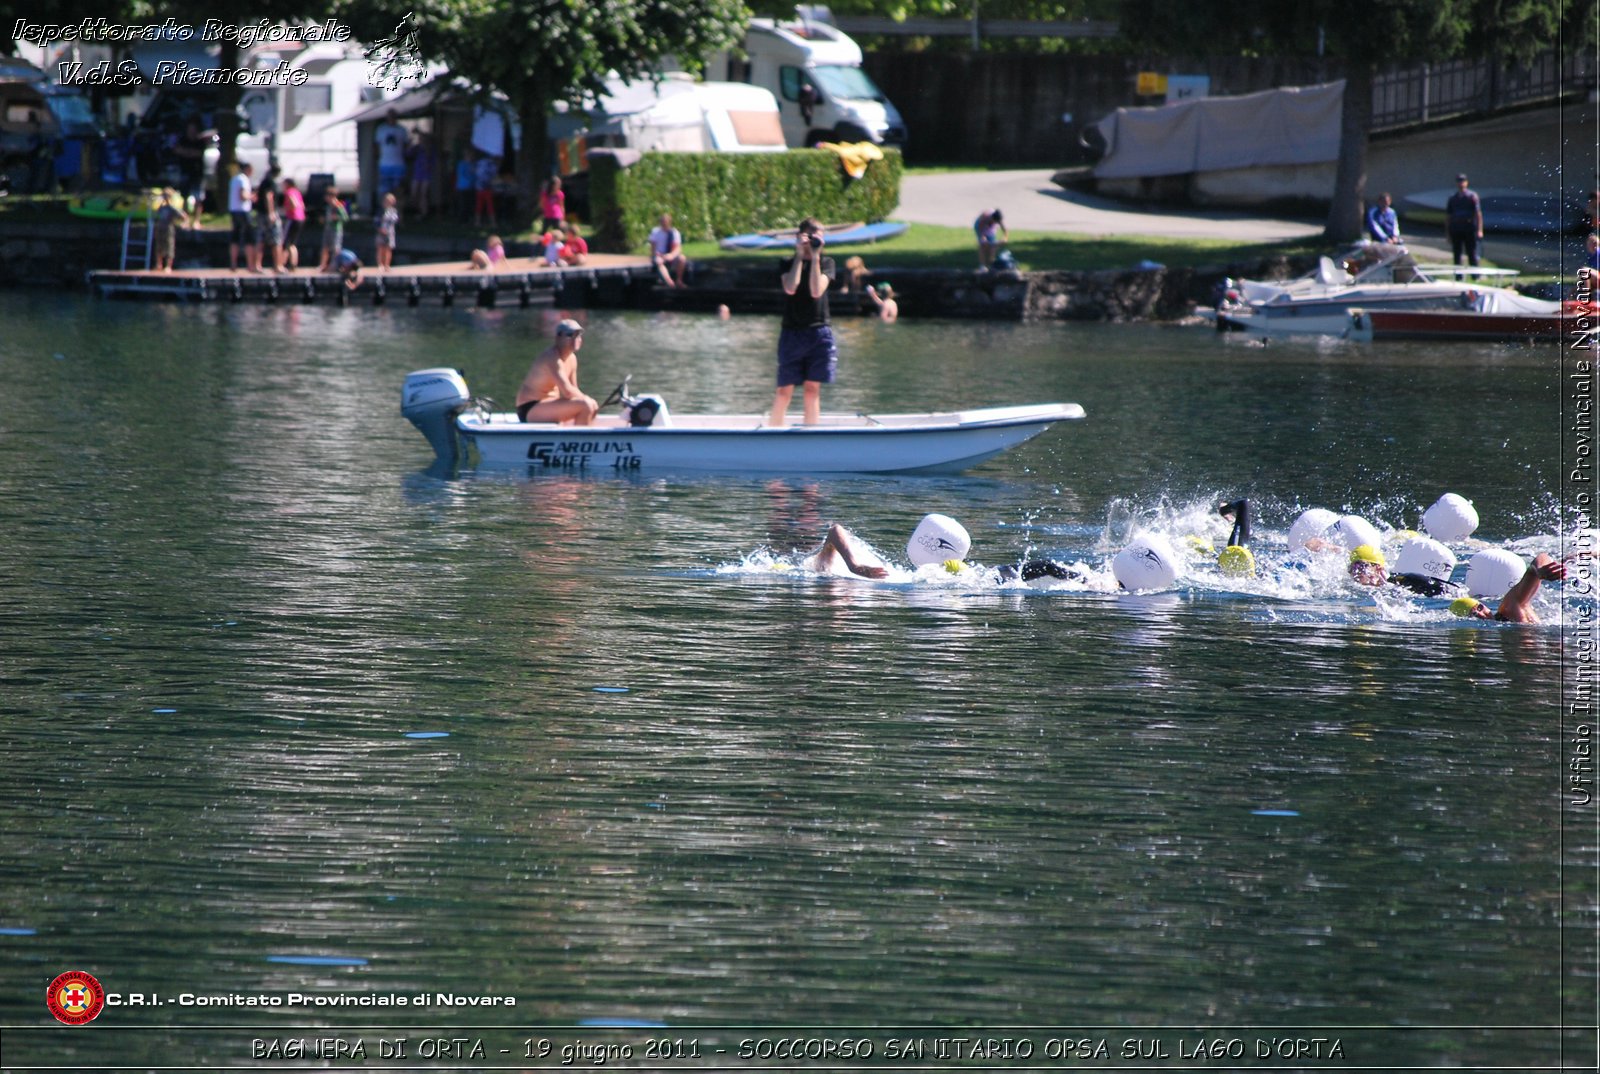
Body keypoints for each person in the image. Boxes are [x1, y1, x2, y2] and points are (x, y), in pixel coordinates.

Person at [769, 218, 836, 427]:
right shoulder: (787, 262)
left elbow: (816, 291)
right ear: (800, 236)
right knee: (784, 390)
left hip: (818, 332)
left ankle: (811, 432)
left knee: (812, 389)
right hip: (792, 333)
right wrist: (800, 255)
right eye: (811, 235)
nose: (816, 239)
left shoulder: (827, 262)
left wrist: (815, 258)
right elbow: (790, 288)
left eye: (820, 235)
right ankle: (773, 433)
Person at [514, 319, 599, 425]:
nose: (575, 339)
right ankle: (578, 441)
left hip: (549, 405)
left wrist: (591, 403)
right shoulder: (551, 357)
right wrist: (587, 400)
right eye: (570, 335)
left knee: (591, 405)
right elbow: (567, 392)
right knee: (585, 404)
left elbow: (574, 389)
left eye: (577, 335)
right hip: (530, 408)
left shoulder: (572, 359)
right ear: (558, 338)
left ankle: (581, 439)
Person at [1450, 553, 1566, 623]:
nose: (1481, 614)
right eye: (1472, 614)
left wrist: (1540, 570)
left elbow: (1541, 557)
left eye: (1480, 608)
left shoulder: (1510, 608)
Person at [1447, 173, 1484, 268]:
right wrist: (1447, 233)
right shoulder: (1453, 198)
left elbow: (1478, 214)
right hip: (1456, 228)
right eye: (1459, 181)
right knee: (1457, 253)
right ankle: (1458, 276)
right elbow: (1448, 216)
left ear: (1466, 182)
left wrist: (1480, 230)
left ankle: (1475, 274)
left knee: (1471, 251)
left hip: (1469, 227)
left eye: (1463, 181)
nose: (1461, 184)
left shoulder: (1472, 196)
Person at [227, 162, 258, 273]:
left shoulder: (234, 179)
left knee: (235, 237)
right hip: (243, 211)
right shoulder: (243, 179)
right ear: (248, 169)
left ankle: (233, 264)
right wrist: (252, 197)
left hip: (233, 210)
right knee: (249, 238)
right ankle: (250, 265)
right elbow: (243, 195)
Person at [151, 188, 190, 273]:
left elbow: (184, 217)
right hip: (160, 228)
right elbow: (155, 216)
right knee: (159, 246)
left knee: (169, 247)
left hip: (168, 228)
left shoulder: (172, 208)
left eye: (166, 196)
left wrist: (184, 224)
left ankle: (168, 266)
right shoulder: (161, 208)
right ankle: (159, 264)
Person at [375, 110, 408, 203]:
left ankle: (398, 213)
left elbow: (405, 146)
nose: (392, 118)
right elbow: (376, 146)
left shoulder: (402, 130)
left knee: (398, 190)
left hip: (399, 165)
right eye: (390, 116)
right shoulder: (381, 129)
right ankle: (383, 212)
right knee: (384, 191)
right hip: (384, 165)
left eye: (394, 116)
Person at [648, 212, 688, 288]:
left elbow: (678, 248)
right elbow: (653, 247)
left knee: (682, 258)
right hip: (659, 255)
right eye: (662, 222)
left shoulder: (674, 233)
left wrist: (671, 255)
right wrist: (654, 256)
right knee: (659, 261)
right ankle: (670, 282)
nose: (664, 224)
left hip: (670, 255)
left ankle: (679, 280)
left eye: (665, 222)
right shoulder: (655, 232)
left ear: (669, 222)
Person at [255, 163, 282, 273]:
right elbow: (269, 196)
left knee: (260, 239)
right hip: (268, 214)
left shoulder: (263, 181)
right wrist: (271, 212)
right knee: (276, 240)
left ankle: (257, 266)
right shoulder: (270, 182)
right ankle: (278, 266)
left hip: (261, 214)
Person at [316, 186, 349, 273]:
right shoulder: (328, 206)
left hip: (336, 229)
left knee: (335, 248)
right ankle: (322, 265)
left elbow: (345, 217)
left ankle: (335, 264)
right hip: (327, 228)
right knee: (325, 247)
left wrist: (336, 217)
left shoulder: (338, 205)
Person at [406, 130, 433, 218]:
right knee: (414, 193)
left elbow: (432, 161)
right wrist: (410, 143)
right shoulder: (417, 148)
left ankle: (424, 213)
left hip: (426, 174)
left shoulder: (430, 149)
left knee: (423, 194)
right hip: (417, 173)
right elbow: (408, 153)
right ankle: (416, 211)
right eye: (421, 139)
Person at [280, 177, 306, 270]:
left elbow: (294, 204)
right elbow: (302, 205)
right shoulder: (297, 192)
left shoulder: (289, 192)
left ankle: (281, 264)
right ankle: (293, 264)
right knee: (292, 243)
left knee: (285, 242)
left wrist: (285, 209)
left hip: (292, 218)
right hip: (301, 218)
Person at [375, 191, 398, 271]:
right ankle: (380, 264)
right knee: (380, 248)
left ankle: (387, 265)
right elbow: (376, 222)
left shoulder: (393, 211)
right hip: (381, 231)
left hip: (390, 232)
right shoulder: (380, 211)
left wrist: (387, 230)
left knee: (388, 249)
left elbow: (394, 221)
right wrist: (380, 229)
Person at [474, 151, 498, 227]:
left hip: (479, 187)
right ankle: (493, 223)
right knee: (489, 205)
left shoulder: (479, 162)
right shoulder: (492, 164)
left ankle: (477, 222)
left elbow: (476, 172)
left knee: (479, 205)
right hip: (487, 188)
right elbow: (494, 175)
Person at [455, 147, 476, 221]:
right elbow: (462, 175)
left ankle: (469, 218)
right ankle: (462, 220)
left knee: (470, 204)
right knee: (463, 204)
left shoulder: (473, 164)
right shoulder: (461, 164)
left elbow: (475, 175)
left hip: (471, 187)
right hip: (462, 187)